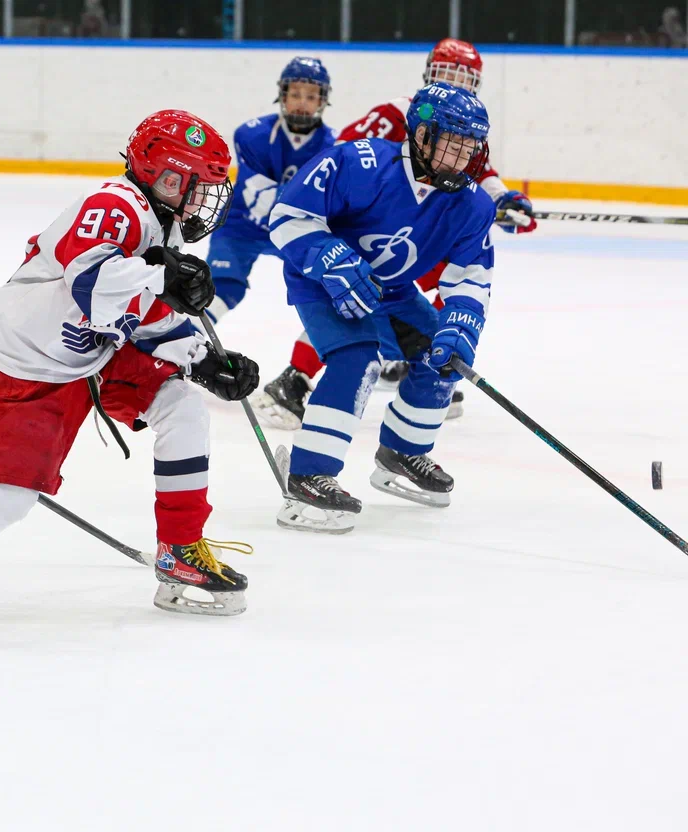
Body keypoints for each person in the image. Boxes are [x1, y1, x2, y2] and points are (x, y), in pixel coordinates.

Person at [0, 110, 260, 627]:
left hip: (93, 350)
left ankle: (180, 548)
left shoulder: (162, 224)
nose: (202, 200)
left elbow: (143, 314)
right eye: (195, 185)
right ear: (166, 175)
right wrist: (160, 277)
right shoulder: (113, 205)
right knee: (9, 496)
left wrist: (205, 359)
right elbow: (92, 280)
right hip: (32, 363)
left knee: (182, 406)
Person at [257, 39, 534, 429]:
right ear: (429, 73)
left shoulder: (468, 123)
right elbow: (349, 153)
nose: (456, 82)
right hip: (379, 225)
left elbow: (477, 175)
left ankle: (420, 365)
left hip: (430, 228)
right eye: (446, 72)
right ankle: (297, 376)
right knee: (357, 291)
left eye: (464, 76)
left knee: (450, 291)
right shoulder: (399, 111)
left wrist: (504, 199)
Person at [268, 83, 495, 533]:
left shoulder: (472, 204)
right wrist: (328, 257)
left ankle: (402, 451)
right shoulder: (358, 163)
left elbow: (470, 277)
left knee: (440, 355)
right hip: (324, 282)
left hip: (391, 290)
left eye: (470, 148)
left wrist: (460, 326)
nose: (460, 159)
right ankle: (310, 473)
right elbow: (287, 217)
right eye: (451, 144)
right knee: (357, 360)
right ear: (421, 136)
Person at [201, 57, 336, 327]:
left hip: (297, 232)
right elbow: (261, 202)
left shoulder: (334, 146)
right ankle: (185, 339)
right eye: (295, 94)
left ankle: (307, 364)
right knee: (220, 289)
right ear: (282, 95)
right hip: (242, 225)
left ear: (322, 100)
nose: (302, 102)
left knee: (333, 290)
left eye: (311, 96)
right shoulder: (252, 135)